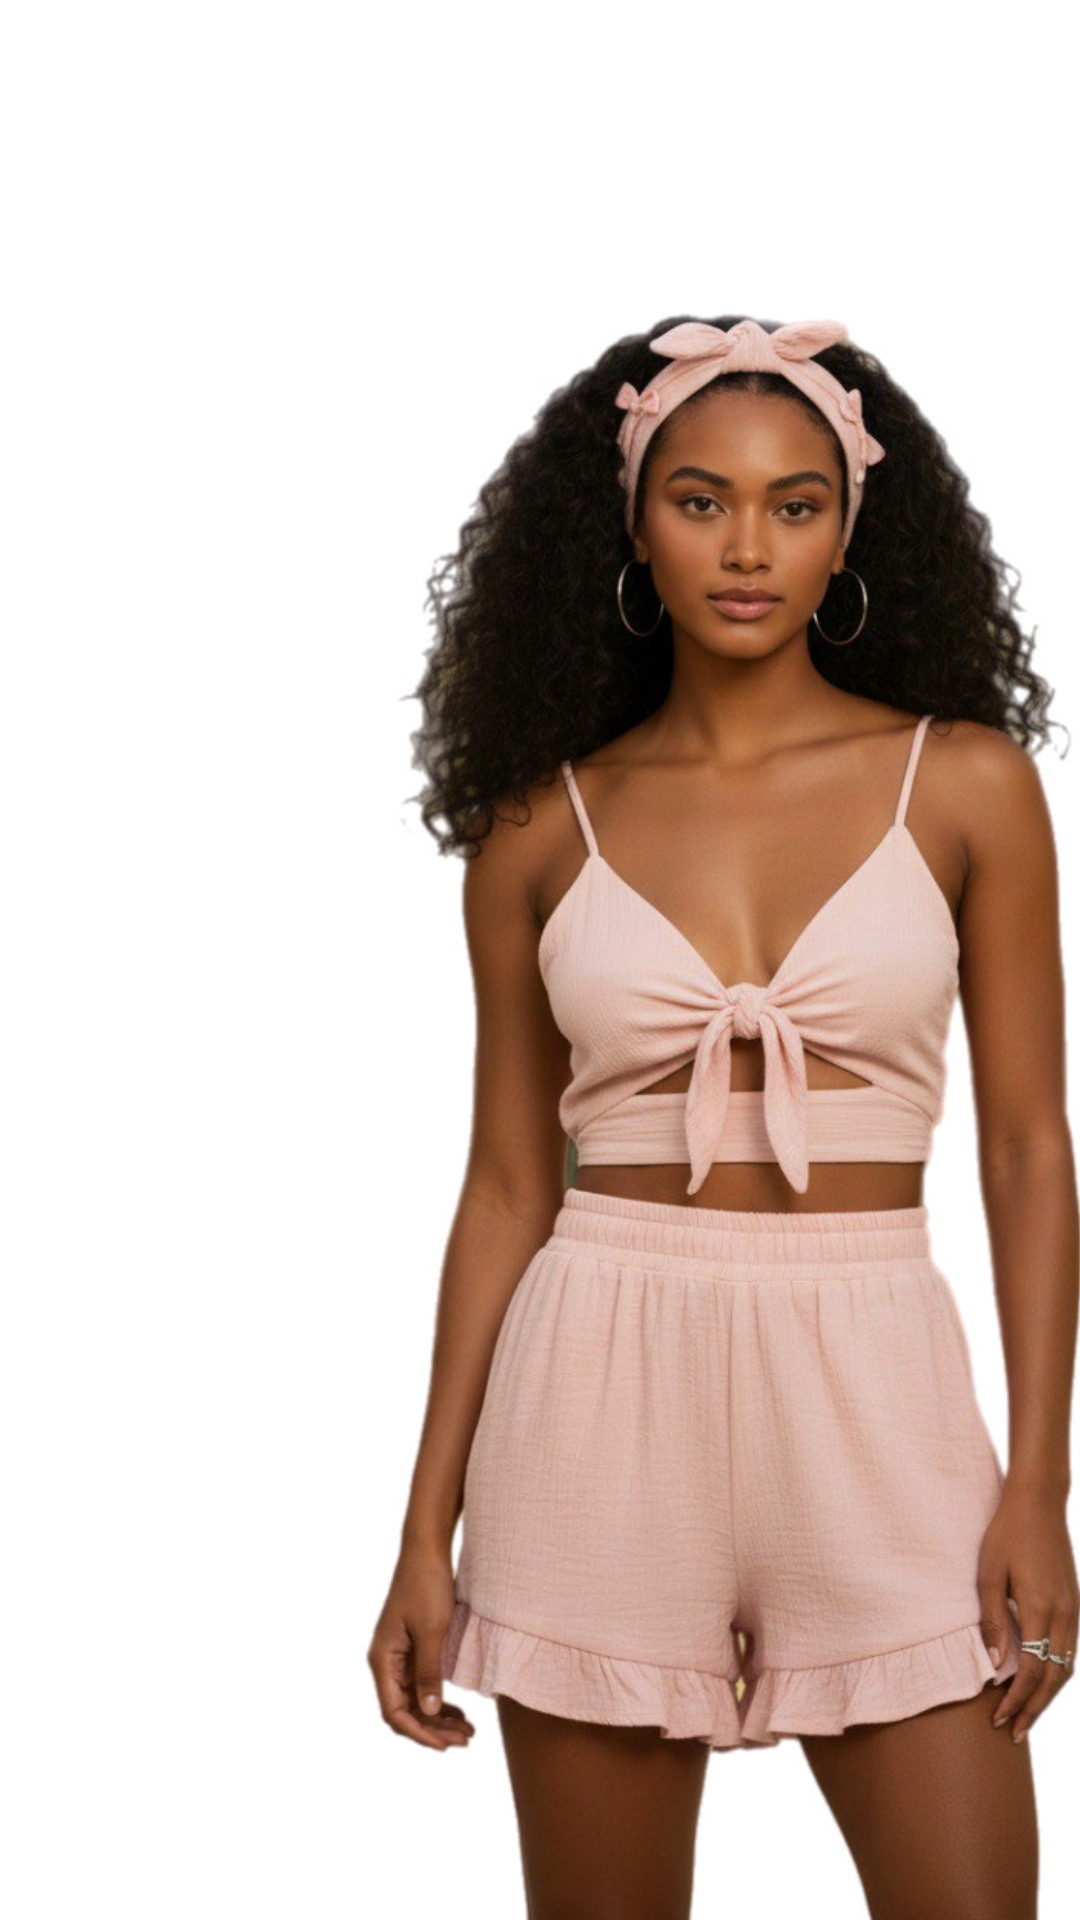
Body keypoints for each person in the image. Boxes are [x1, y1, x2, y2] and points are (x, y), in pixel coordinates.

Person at [366, 313, 1078, 1918]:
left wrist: (1040, 1485)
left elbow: (1029, 1150)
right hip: (596, 1373)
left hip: (878, 1367)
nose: (748, 548)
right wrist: (422, 1526)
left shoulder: (970, 784)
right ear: (634, 528)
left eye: (794, 504)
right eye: (702, 501)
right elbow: (504, 1181)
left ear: (848, 531)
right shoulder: (537, 826)